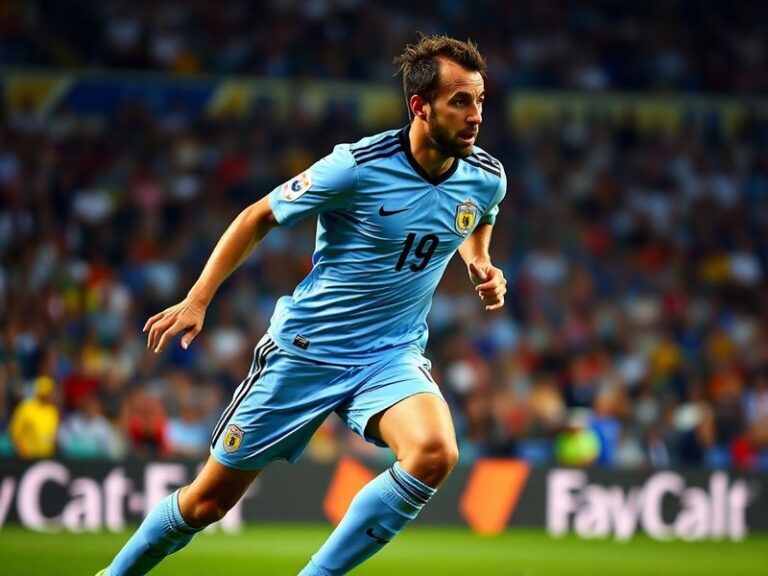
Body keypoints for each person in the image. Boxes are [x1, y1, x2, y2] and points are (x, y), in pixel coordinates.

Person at [97, 34, 507, 576]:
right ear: (420, 106)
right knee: (206, 504)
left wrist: (479, 262)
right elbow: (258, 216)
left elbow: (479, 217)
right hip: (307, 351)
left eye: (480, 101)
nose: (475, 115)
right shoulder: (356, 167)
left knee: (436, 452)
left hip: (390, 356)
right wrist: (198, 299)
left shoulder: (486, 176)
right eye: (461, 101)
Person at [9, 375, 60, 459]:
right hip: (27, 456)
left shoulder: (52, 410)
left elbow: (53, 434)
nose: (51, 395)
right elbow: (14, 431)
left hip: (46, 455)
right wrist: (21, 452)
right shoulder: (26, 407)